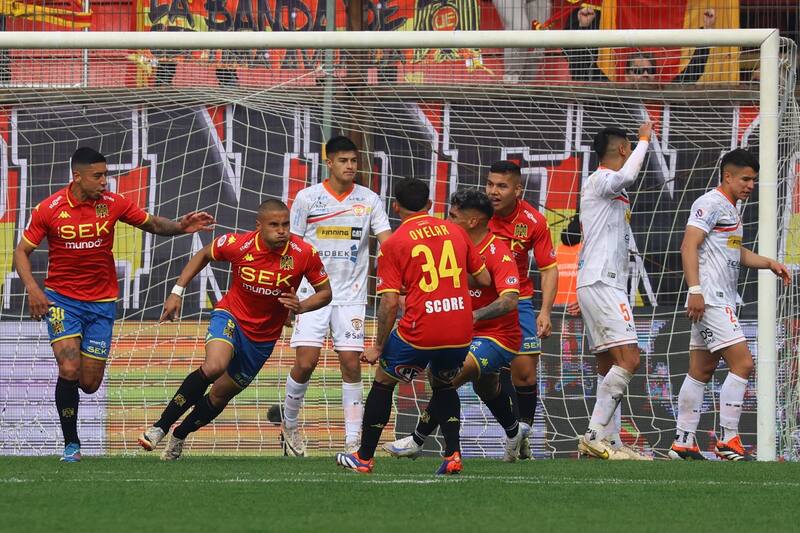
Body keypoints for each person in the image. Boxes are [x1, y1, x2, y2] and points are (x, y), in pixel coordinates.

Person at [13, 147, 215, 462]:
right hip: (61, 300)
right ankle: (72, 445)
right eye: (98, 176)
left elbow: (152, 224)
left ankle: (71, 394)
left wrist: (180, 226)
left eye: (106, 174)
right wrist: (33, 289)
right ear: (77, 176)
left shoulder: (113, 203)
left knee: (89, 383)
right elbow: (20, 252)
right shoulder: (49, 208)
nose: (105, 181)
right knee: (68, 368)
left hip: (102, 303)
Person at [138, 199, 332, 460]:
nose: (282, 230)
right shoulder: (238, 244)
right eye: (274, 225)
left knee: (219, 396)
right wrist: (177, 291)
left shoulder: (304, 253)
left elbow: (326, 293)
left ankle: (179, 435)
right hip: (230, 315)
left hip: (262, 338)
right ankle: (160, 427)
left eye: (285, 224)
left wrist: (301, 306)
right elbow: (204, 254)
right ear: (259, 226)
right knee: (214, 366)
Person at [335, 178, 490, 474]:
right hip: (459, 327)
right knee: (444, 383)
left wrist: (379, 345)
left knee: (383, 381)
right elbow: (483, 280)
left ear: (395, 207)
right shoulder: (456, 232)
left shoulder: (394, 243)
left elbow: (390, 303)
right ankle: (453, 454)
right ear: (430, 205)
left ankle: (364, 457)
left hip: (422, 330)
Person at [382, 189, 524, 462]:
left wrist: (476, 315)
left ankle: (417, 439)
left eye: (452, 215)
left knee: (450, 378)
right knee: (487, 389)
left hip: (497, 336)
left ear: (472, 221)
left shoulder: (498, 252)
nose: (446, 220)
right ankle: (514, 431)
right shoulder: (449, 242)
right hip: (458, 332)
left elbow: (510, 301)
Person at [669, 149, 791, 461]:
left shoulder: (731, 210)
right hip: (709, 298)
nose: (751, 185)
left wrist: (768, 263)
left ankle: (682, 442)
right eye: (745, 179)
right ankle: (728, 440)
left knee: (701, 369)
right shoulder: (710, 203)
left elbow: (735, 253)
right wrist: (695, 290)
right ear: (727, 176)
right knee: (743, 364)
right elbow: (688, 245)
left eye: (754, 179)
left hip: (715, 298)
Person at [280, 136, 392, 456]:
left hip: (351, 295)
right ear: (328, 162)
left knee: (350, 363)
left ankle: (353, 439)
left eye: (354, 161)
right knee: (306, 363)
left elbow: (387, 239)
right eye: (343, 161)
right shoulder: (307, 198)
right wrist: (289, 295)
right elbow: (294, 248)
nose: (350, 167)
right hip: (311, 293)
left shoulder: (369, 199)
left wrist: (403, 255)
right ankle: (289, 425)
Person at [576, 122, 652, 460]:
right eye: (630, 145)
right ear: (623, 149)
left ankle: (611, 442)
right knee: (630, 359)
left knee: (609, 366)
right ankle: (593, 435)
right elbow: (626, 177)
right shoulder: (602, 180)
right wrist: (645, 141)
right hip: (602, 283)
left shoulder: (607, 191)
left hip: (599, 283)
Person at [486, 160, 557, 459]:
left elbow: (550, 269)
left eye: (501, 186)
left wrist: (546, 311)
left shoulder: (533, 221)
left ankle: (522, 433)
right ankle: (513, 431)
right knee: (484, 377)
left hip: (519, 301)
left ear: (518, 189)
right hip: (481, 304)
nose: (493, 191)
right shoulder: (476, 215)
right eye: (490, 184)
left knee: (525, 374)